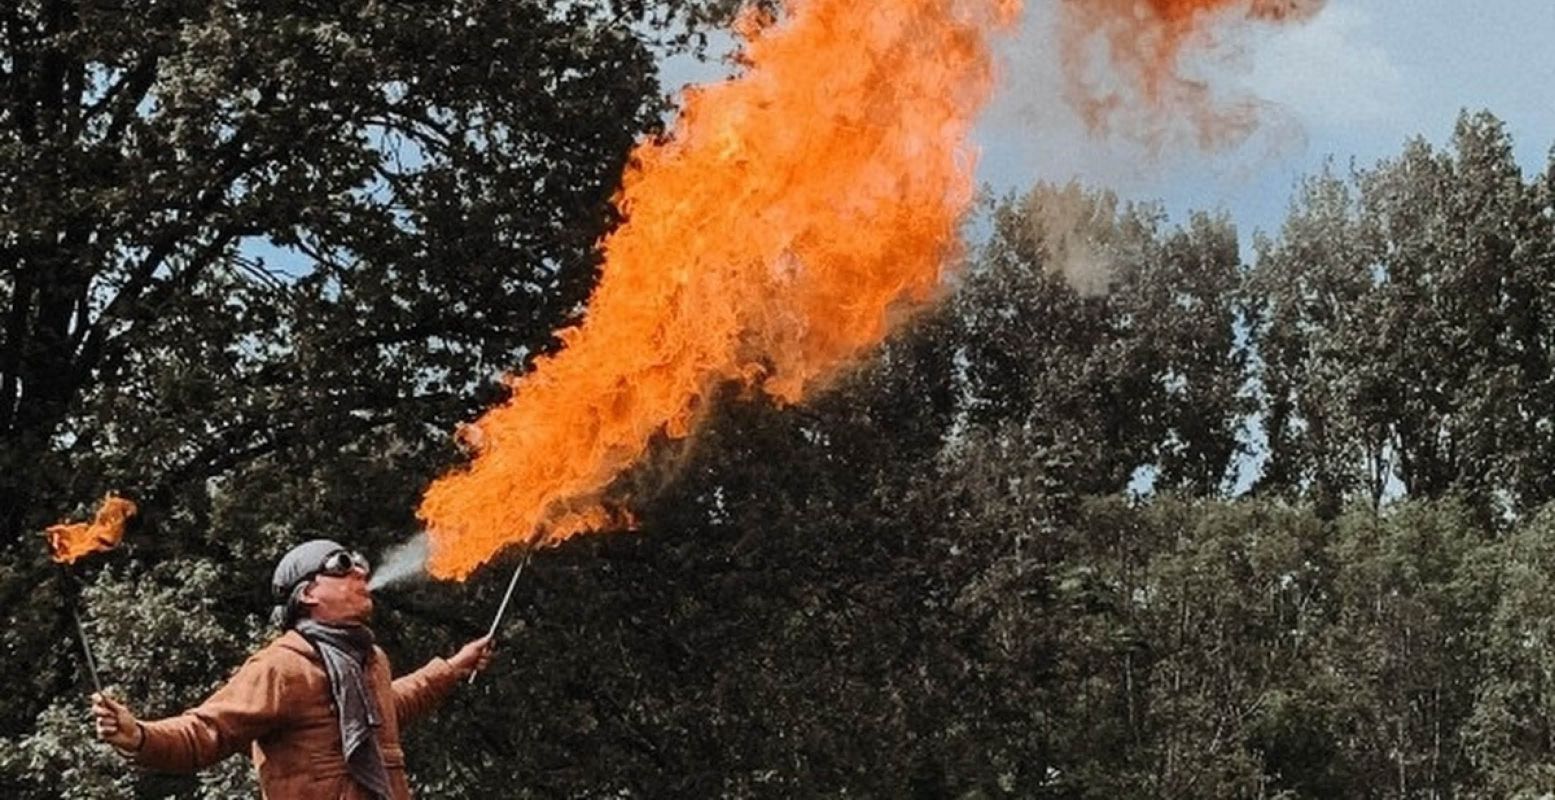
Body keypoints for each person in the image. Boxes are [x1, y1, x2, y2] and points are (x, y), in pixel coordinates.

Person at [90, 539, 494, 799]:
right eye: (341, 565)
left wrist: (452, 668)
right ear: (308, 593)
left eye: (358, 563)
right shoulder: (282, 666)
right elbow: (205, 733)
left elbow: (389, 708)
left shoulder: (371, 659)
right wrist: (138, 735)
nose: (360, 572)